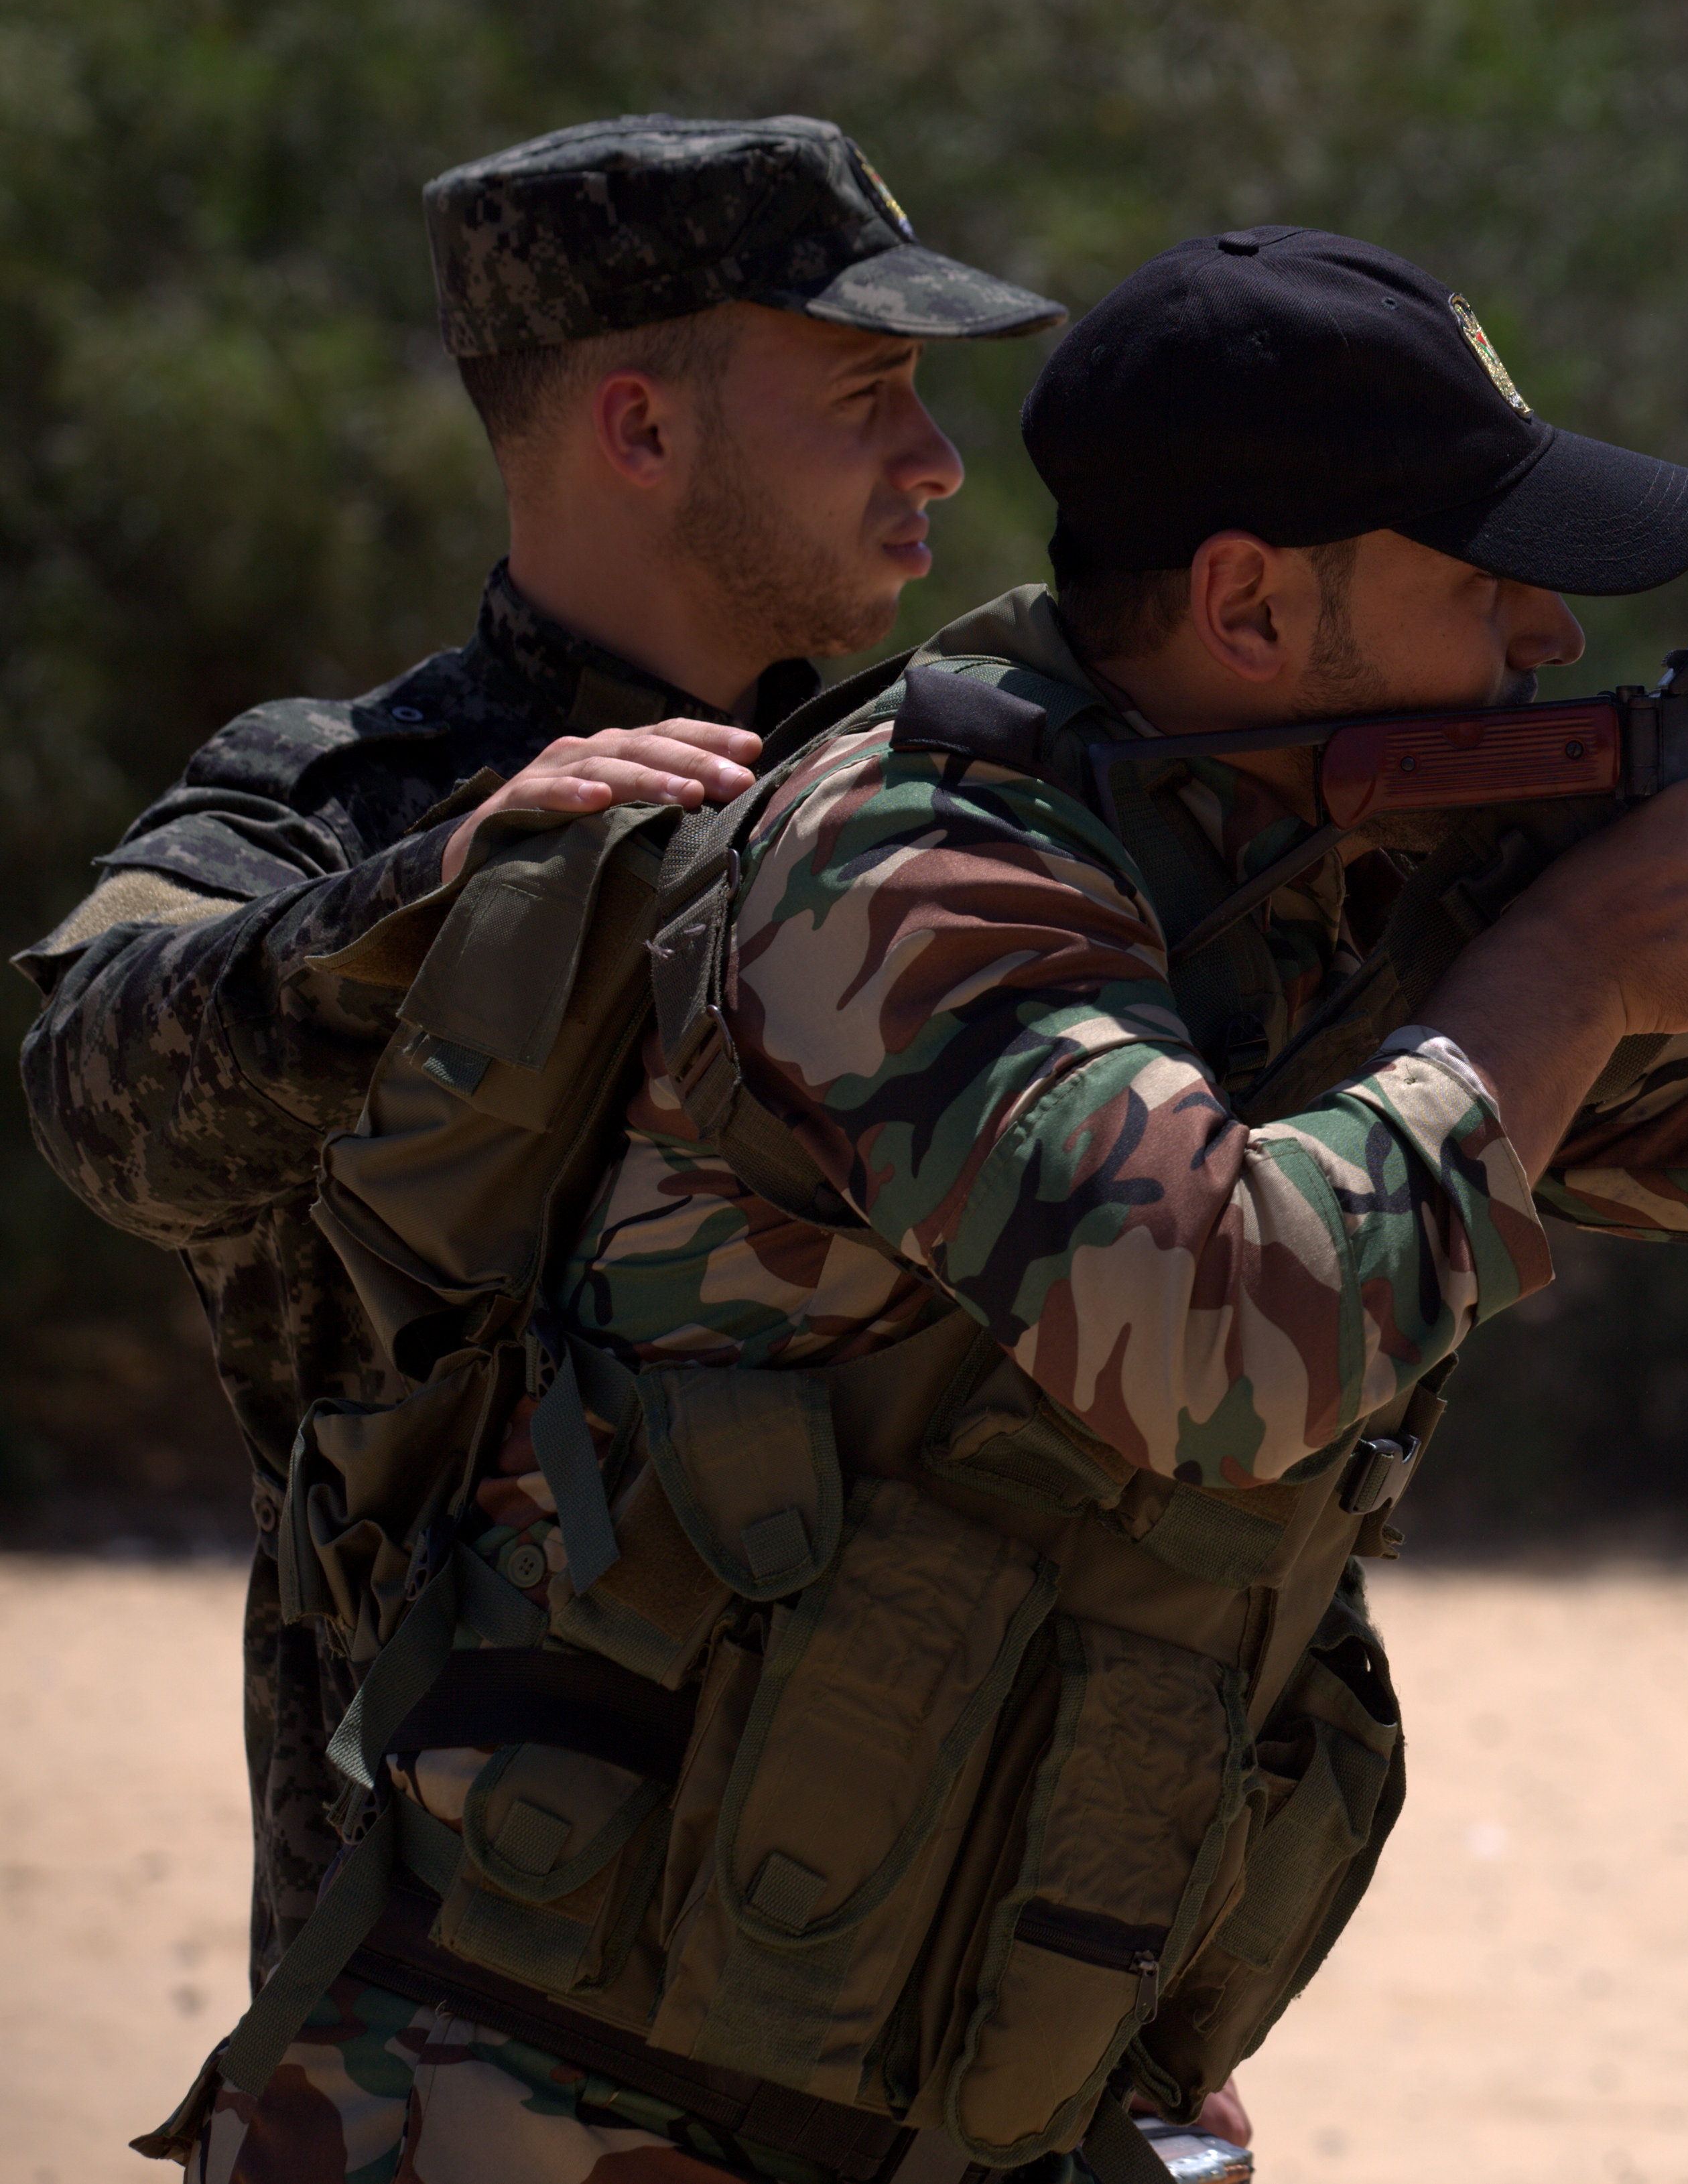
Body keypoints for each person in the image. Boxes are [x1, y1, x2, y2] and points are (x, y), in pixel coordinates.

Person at [190, 224, 1688, 2184]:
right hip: (555, 2105)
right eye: (1485, 576)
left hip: (952, 2095)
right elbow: (1224, 1342)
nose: (1550, 636)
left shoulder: (1349, 884)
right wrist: (1573, 969)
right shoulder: (915, 865)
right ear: (1253, 605)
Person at [9, 113, 1064, 2164]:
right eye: (867, 391)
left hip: (912, 1999)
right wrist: (455, 896)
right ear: (640, 428)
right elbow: (101, 1099)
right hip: (465, 2037)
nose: (938, 458)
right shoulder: (336, 800)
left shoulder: (936, 810)